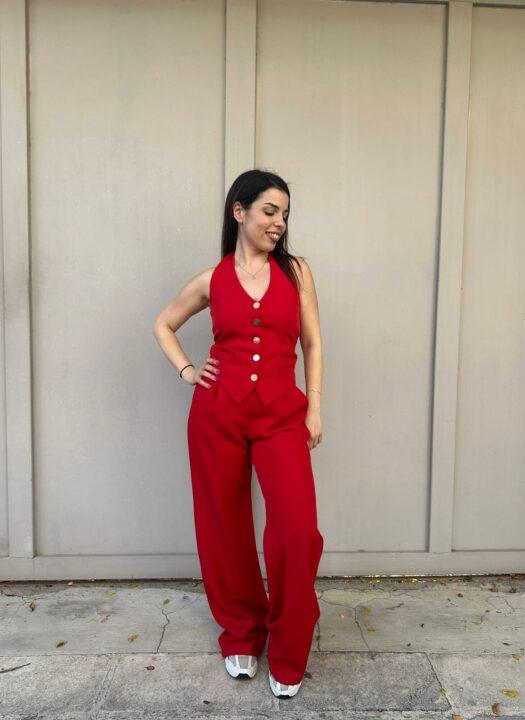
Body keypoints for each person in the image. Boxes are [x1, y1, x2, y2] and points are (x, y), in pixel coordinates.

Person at [153, 169, 324, 698]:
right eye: (270, 211)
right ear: (239, 211)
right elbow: (163, 324)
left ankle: (289, 647)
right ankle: (242, 633)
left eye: (285, 214)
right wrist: (188, 371)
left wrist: (315, 407)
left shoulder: (296, 272)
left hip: (282, 416)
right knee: (223, 527)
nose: (279, 223)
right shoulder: (211, 280)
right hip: (217, 415)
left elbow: (313, 343)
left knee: (296, 529)